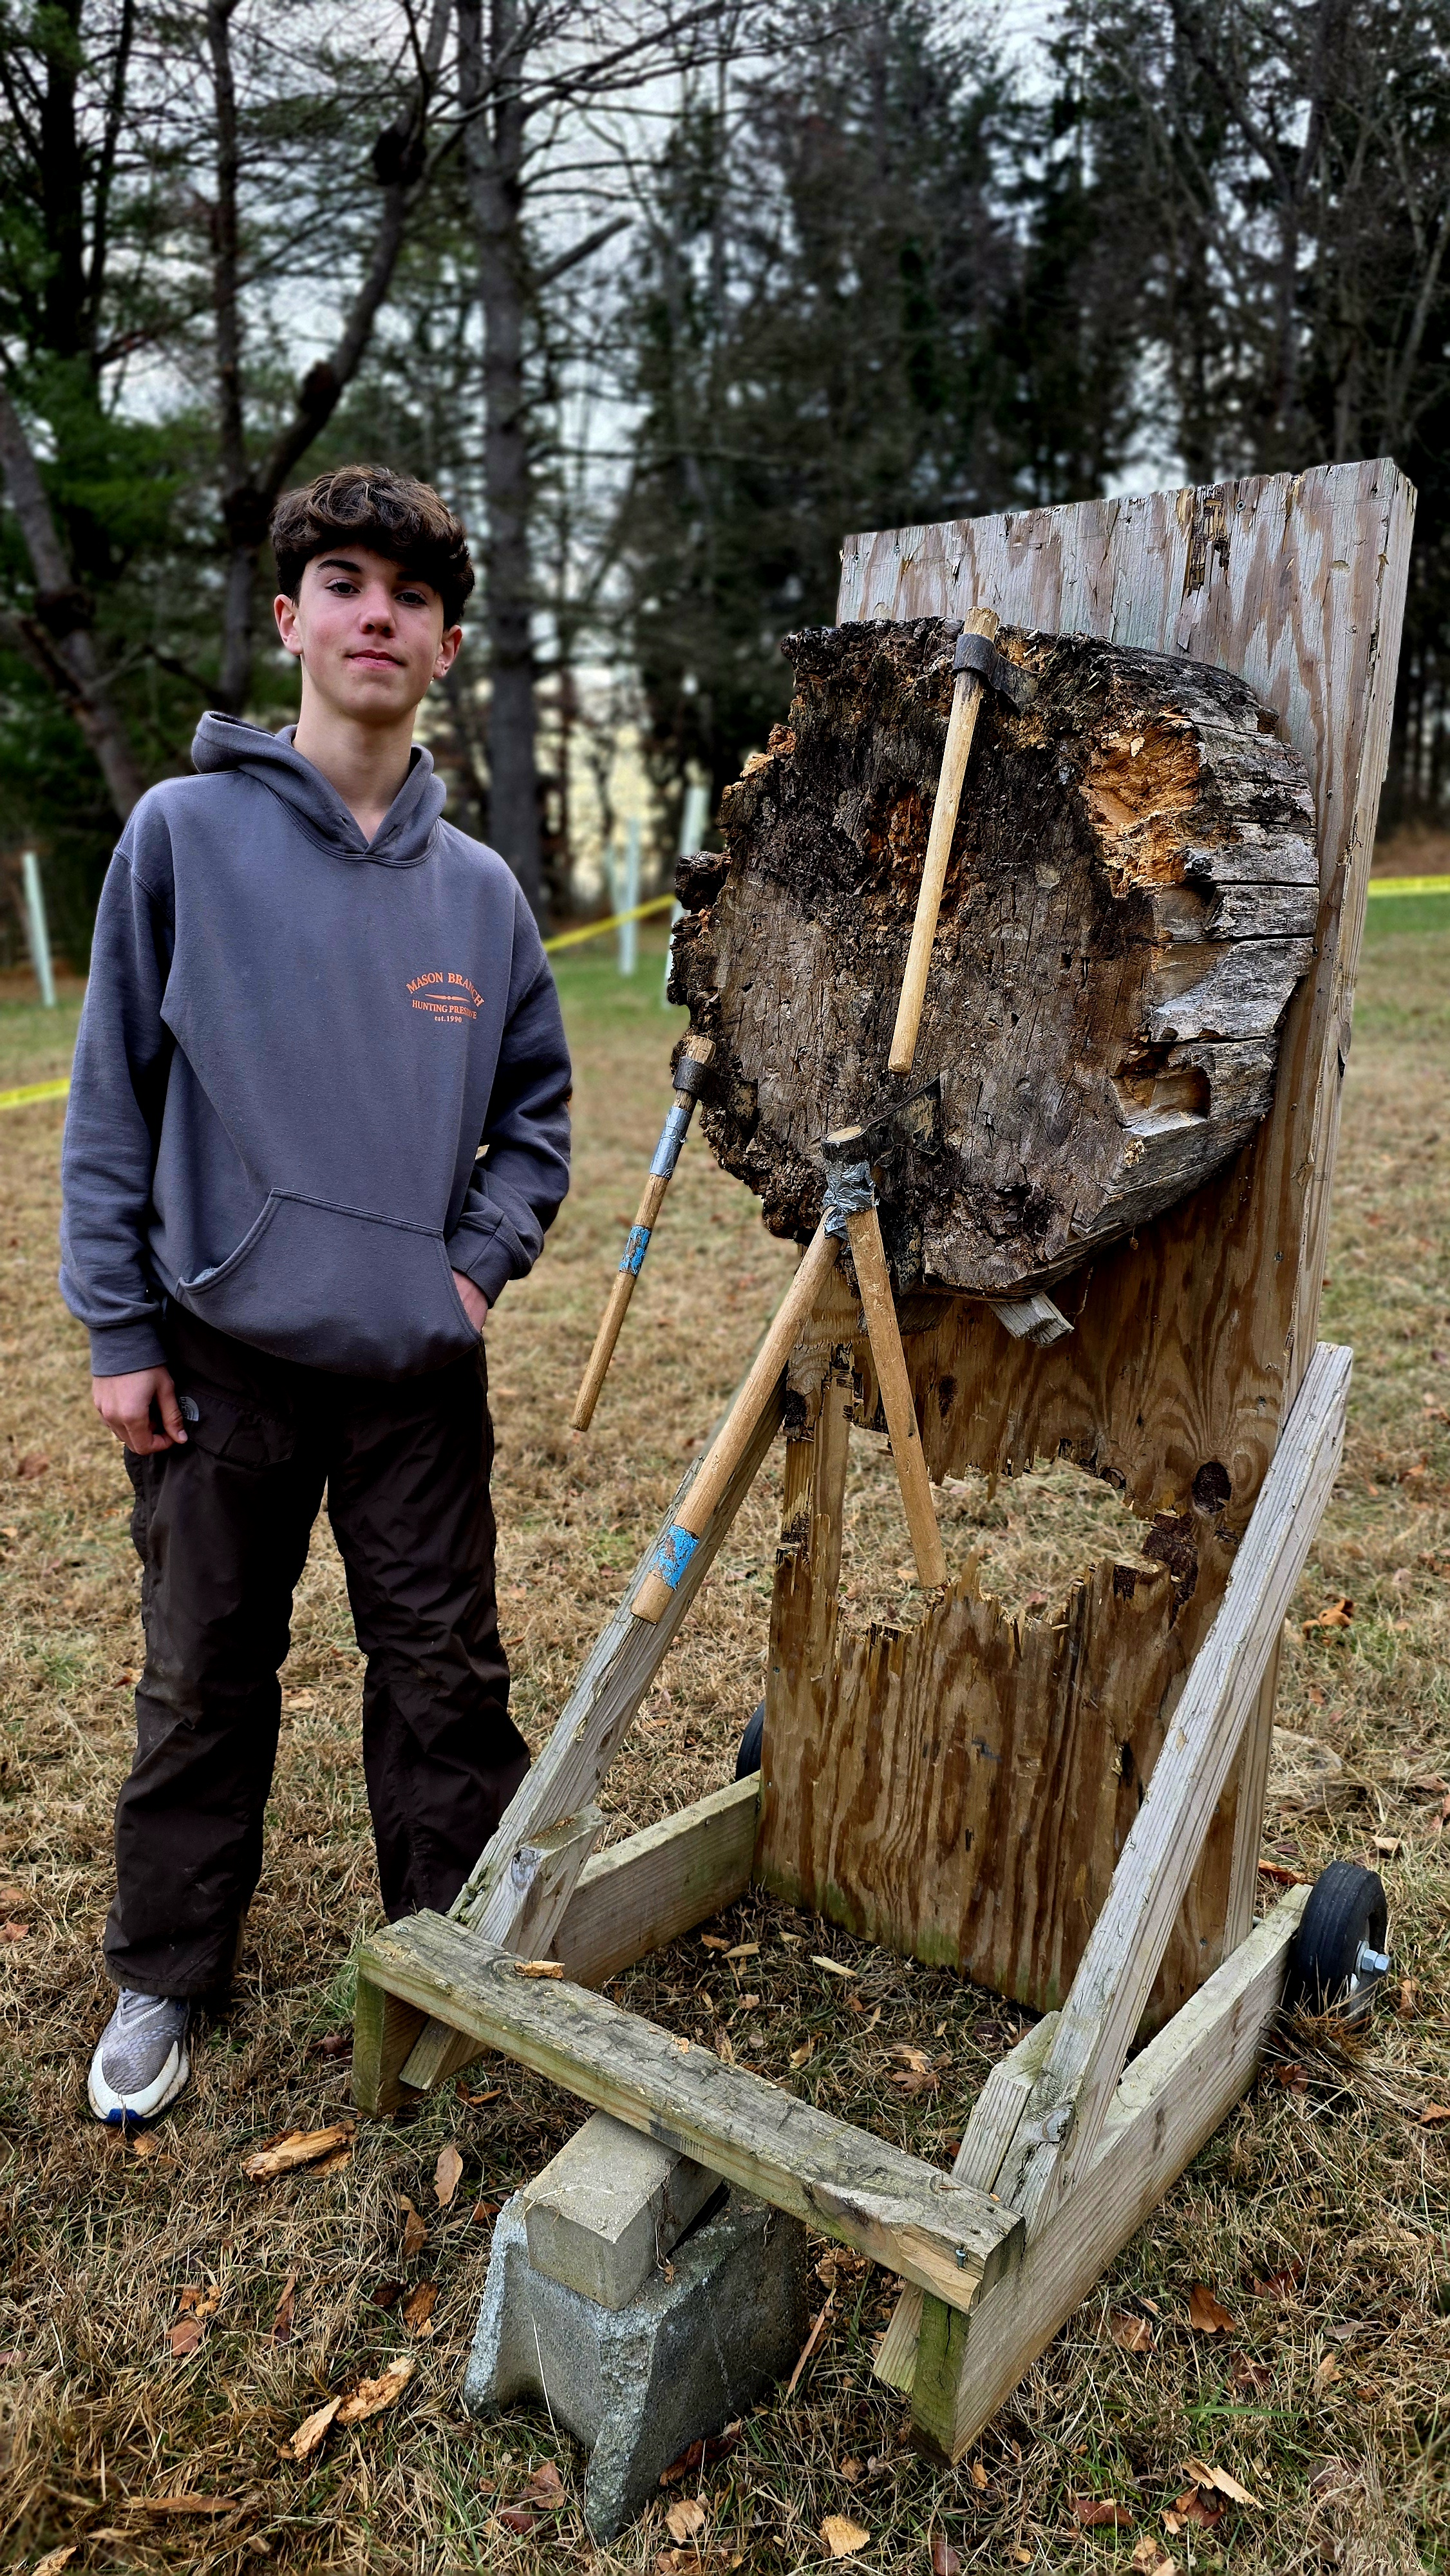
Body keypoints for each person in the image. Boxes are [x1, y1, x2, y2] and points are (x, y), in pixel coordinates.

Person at [59, 464, 570, 2126]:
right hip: (221, 1359)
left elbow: (537, 1116)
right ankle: (164, 1971)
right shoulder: (183, 838)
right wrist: (121, 1328)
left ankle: (451, 1960)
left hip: (415, 1371)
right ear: (290, 620)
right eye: (344, 584)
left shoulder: (480, 893)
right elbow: (113, 1099)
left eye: (412, 598)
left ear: (444, 648)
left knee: (446, 1678)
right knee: (204, 1673)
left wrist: (474, 1267)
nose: (377, 616)